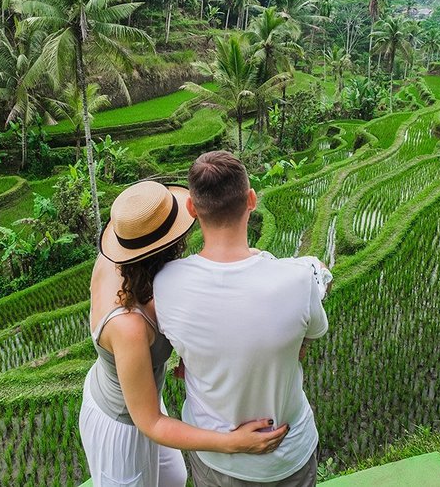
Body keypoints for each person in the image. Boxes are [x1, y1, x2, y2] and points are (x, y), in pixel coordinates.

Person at [81, 180, 289, 487]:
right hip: (123, 421)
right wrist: (233, 443)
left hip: (143, 394)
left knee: (174, 479)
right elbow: (149, 422)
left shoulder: (123, 264)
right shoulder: (129, 326)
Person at [154, 151, 332, 486]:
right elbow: (311, 334)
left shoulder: (165, 284)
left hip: (219, 464)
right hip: (291, 451)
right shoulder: (297, 279)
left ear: (192, 209)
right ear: (251, 200)